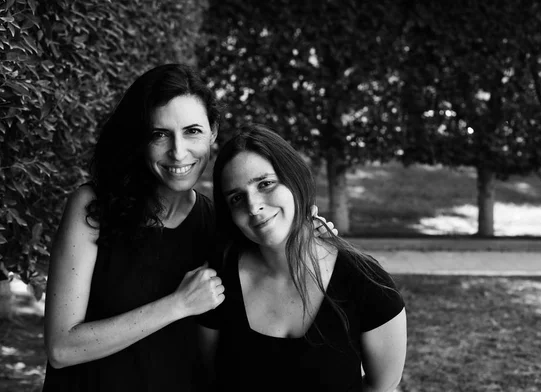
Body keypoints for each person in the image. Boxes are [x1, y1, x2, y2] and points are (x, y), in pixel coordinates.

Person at [42, 64, 335, 391]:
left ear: (213, 132)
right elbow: (61, 348)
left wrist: (306, 235)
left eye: (192, 131)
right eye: (159, 134)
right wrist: (177, 305)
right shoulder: (93, 207)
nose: (178, 152)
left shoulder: (220, 222)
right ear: (140, 139)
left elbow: (277, 283)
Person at [200, 124, 407, 392]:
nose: (254, 206)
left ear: (295, 180)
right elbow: (209, 378)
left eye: (265, 184)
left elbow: (383, 387)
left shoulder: (368, 283)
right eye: (237, 198)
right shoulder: (218, 282)